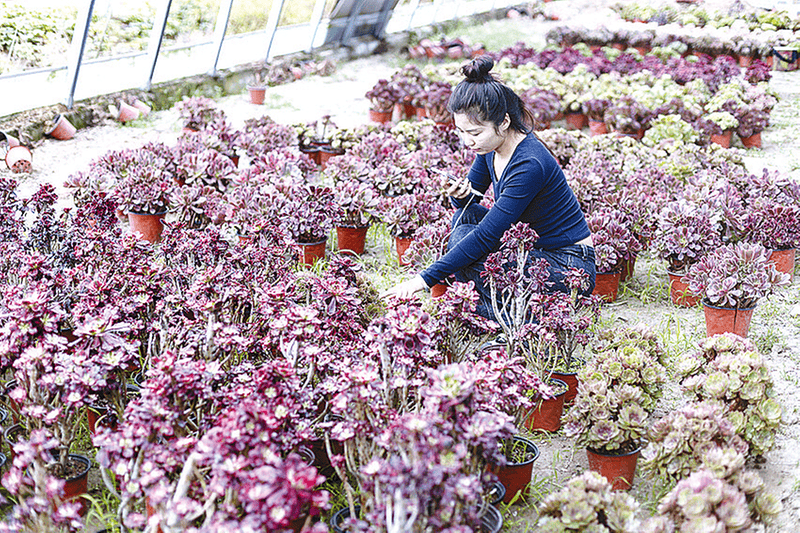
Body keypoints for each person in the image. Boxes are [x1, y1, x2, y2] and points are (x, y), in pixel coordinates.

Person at [382, 55, 595, 321]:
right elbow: (467, 209)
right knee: (465, 221)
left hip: (569, 264)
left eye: (474, 133)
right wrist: (459, 198)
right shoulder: (490, 147)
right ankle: (487, 302)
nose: (467, 141)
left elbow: (487, 235)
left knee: (465, 238)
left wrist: (422, 280)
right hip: (532, 249)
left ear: (504, 122)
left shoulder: (529, 163)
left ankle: (501, 311)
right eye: (461, 132)